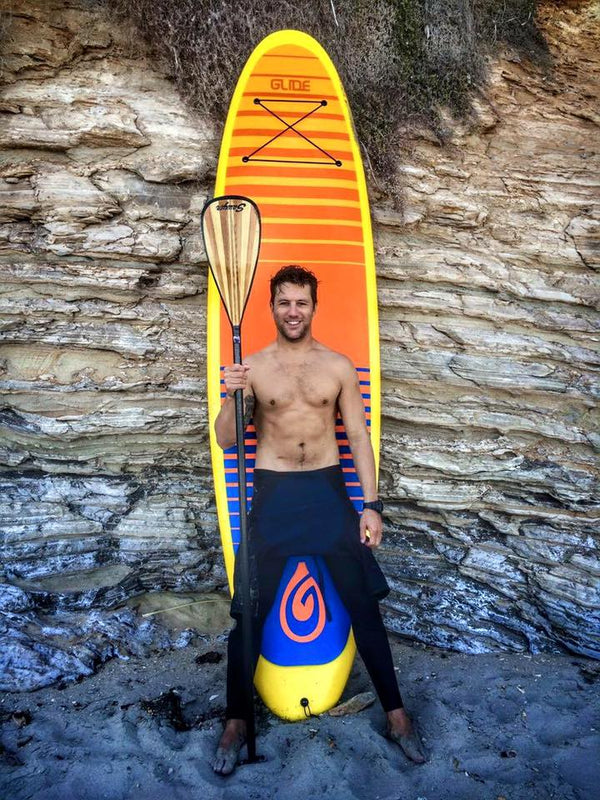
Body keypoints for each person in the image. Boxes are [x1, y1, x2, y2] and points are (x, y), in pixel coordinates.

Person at [212, 265, 426, 775]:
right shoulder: (254, 368)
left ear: (313, 307)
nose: (293, 311)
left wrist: (371, 504)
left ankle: (398, 718)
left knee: (364, 607)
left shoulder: (338, 366)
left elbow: (358, 435)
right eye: (284, 302)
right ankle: (236, 722)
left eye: (301, 303)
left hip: (329, 494)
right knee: (248, 614)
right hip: (274, 495)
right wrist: (232, 394)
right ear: (271, 307)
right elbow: (225, 439)